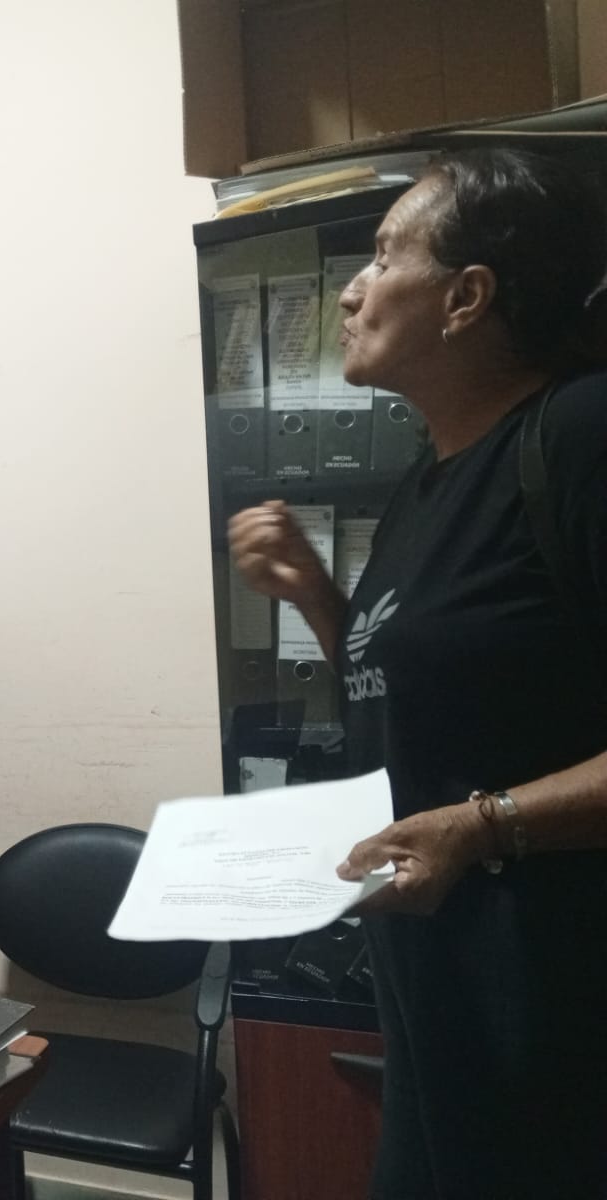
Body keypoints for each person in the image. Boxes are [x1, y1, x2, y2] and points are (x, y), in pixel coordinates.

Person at [228, 148, 607, 1198]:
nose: (350, 290)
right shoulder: (429, 480)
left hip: (559, 1013)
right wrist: (317, 599)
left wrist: (480, 826)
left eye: (386, 256)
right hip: (438, 1005)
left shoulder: (581, 436)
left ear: (466, 298)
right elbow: (424, 689)